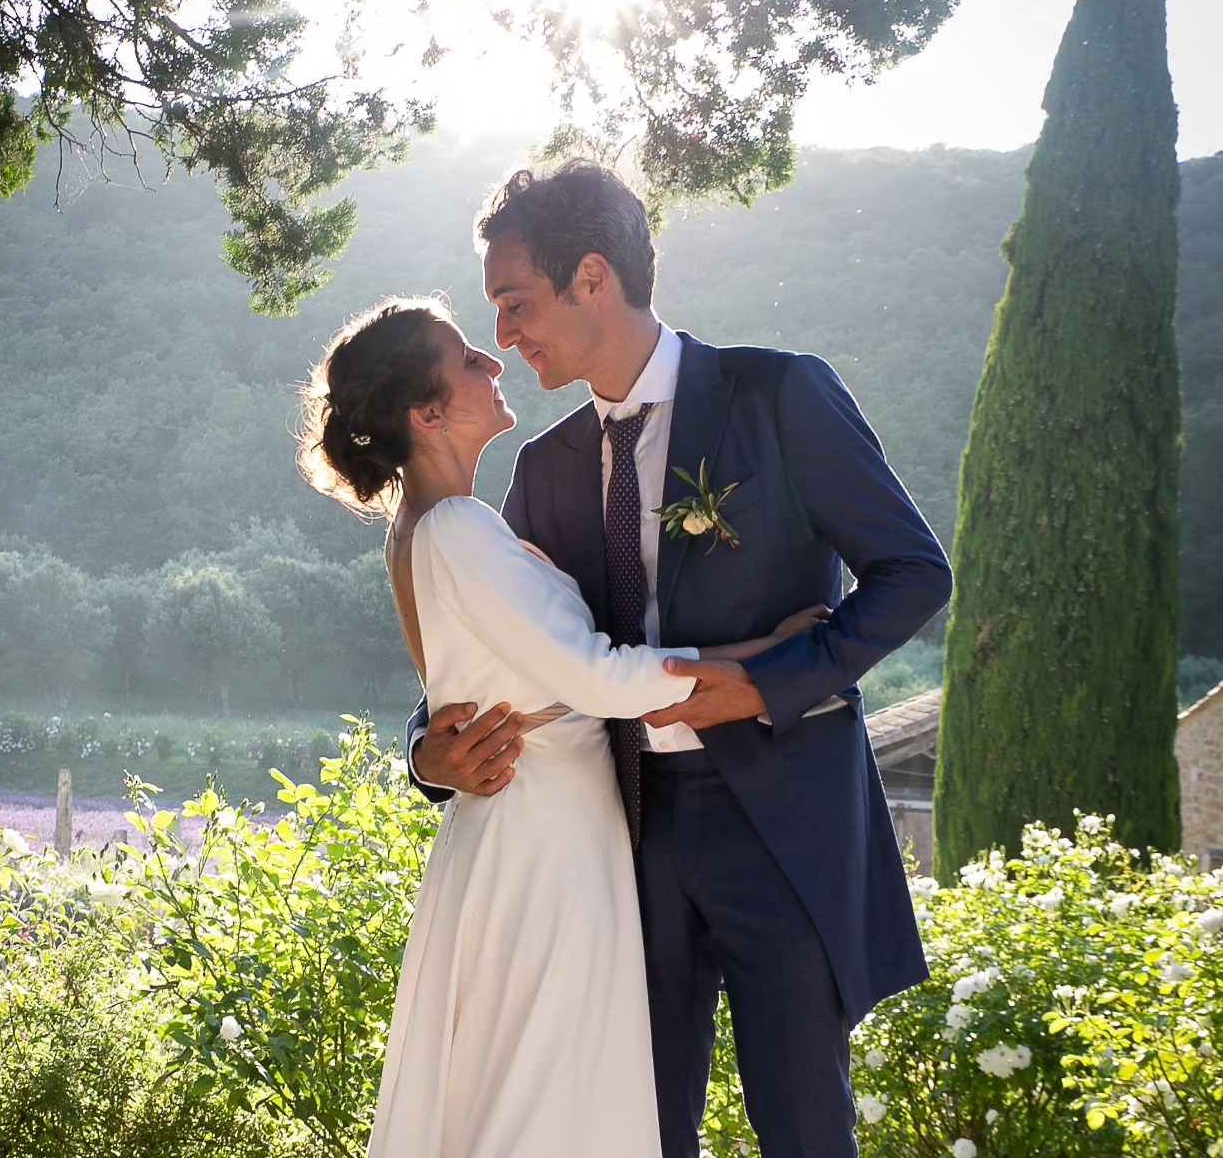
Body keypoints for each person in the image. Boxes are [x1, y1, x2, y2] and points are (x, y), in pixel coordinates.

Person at [407, 160, 954, 1158]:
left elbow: (914, 575)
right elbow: (507, 649)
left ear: (593, 279)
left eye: (515, 303)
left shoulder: (780, 395)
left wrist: (767, 683)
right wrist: (427, 757)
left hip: (783, 824)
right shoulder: (547, 468)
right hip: (623, 840)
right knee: (635, 1132)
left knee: (803, 1130)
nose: (505, 338)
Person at [298, 297, 824, 1158]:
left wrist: (434, 751)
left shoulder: (444, 527)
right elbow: (591, 675)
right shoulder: (459, 528)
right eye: (469, 358)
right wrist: (770, 655)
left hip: (537, 824)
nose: (494, 361)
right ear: (426, 414)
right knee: (539, 1101)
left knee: (537, 1092)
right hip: (546, 835)